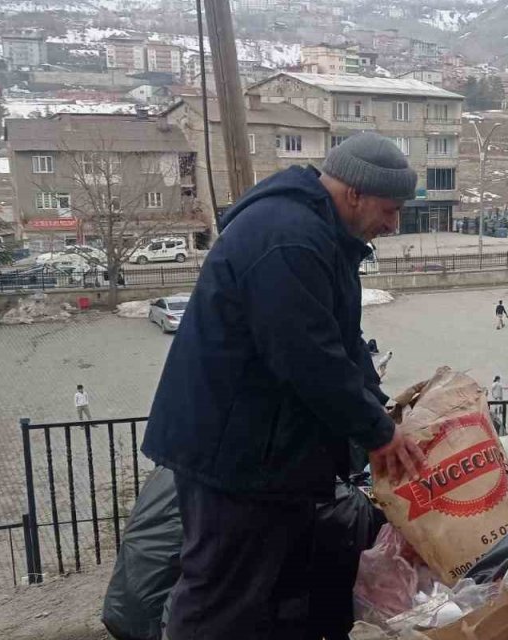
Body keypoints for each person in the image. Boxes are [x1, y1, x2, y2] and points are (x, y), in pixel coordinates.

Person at [141, 133, 426, 639]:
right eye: (389, 209)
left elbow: (343, 340)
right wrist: (377, 433)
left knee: (272, 593)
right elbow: (308, 357)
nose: (392, 224)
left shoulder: (323, 236)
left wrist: (382, 412)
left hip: (271, 455)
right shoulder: (288, 238)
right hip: (233, 456)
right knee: (221, 596)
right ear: (354, 194)